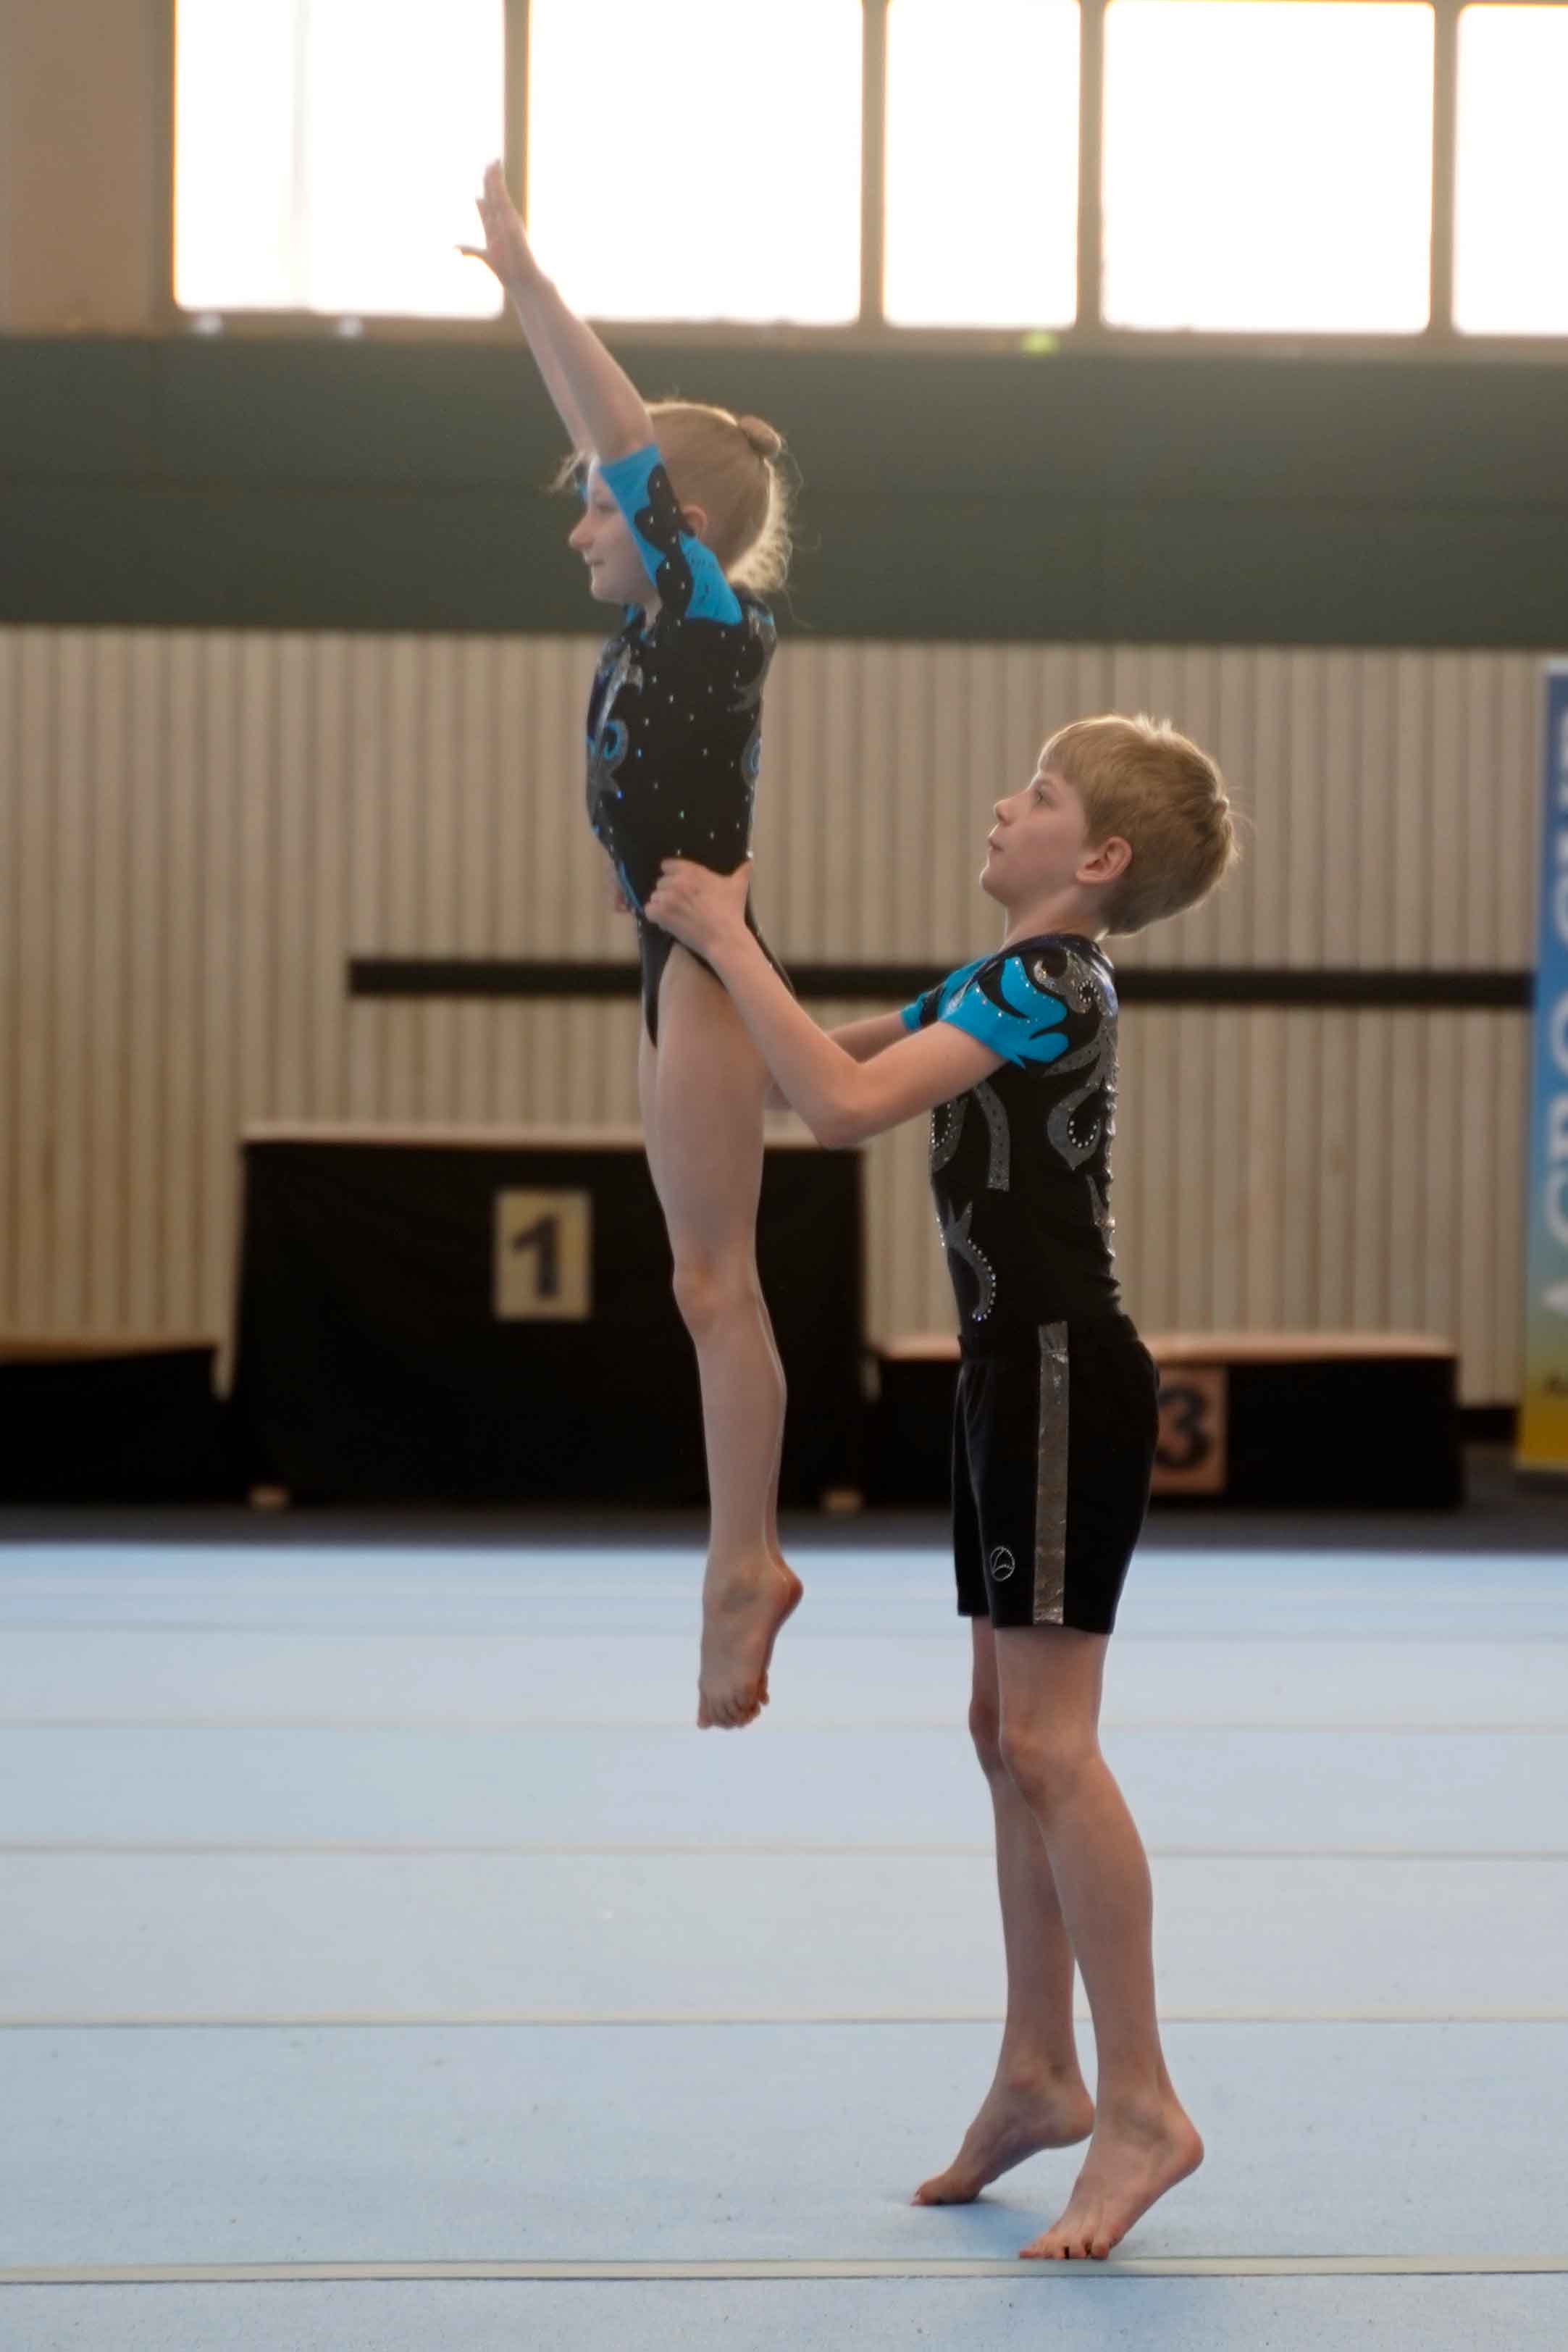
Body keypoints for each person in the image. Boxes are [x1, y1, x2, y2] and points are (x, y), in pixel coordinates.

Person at [646, 713, 1239, 2261]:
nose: (1001, 803)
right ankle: (1038, 2069)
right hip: (1007, 1377)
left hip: (1061, 1373)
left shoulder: (1049, 984)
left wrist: (726, 934)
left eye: (1036, 794)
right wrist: (701, 971)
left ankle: (1143, 2102)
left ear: (1098, 857)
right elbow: (813, 1065)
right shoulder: (995, 983)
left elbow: (843, 1111)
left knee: (1050, 1741)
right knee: (1000, 1734)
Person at [460, 164, 800, 1730]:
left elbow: (618, 433)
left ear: (681, 526)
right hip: (675, 959)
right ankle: (738, 1558)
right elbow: (609, 442)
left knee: (719, 1280)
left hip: (707, 964)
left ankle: (745, 1562)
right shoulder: (660, 636)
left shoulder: (707, 622)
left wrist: (533, 287)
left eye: (602, 502)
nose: (581, 522)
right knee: (697, 1275)